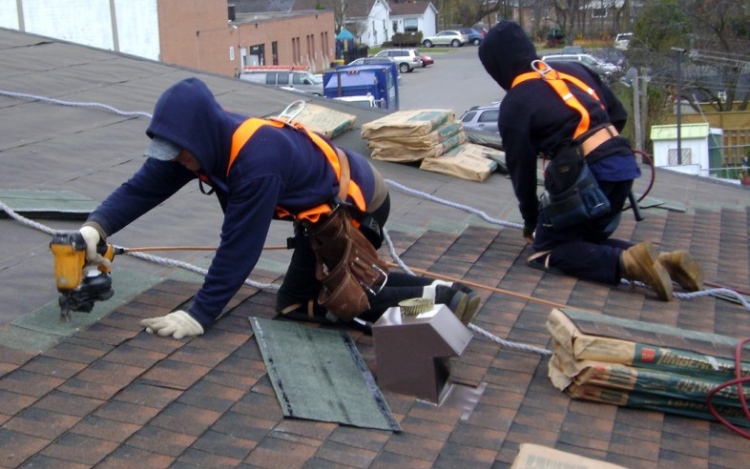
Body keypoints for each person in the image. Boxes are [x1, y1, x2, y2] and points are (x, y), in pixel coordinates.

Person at [78, 77, 479, 339]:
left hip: (358, 206)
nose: (177, 161)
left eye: (179, 152)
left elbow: (240, 246)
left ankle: (437, 303)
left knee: (342, 303)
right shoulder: (204, 145)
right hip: (325, 210)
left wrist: (198, 315)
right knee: (299, 303)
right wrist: (95, 228)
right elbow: (142, 188)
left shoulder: (254, 164)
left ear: (197, 138)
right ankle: (440, 293)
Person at [478, 21, 703, 301]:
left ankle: (628, 263)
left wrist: (531, 220)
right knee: (583, 242)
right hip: (622, 164)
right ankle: (665, 262)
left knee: (546, 249)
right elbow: (618, 115)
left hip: (589, 177)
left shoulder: (515, 104)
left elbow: (521, 170)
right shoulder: (573, 69)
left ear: (497, 66)